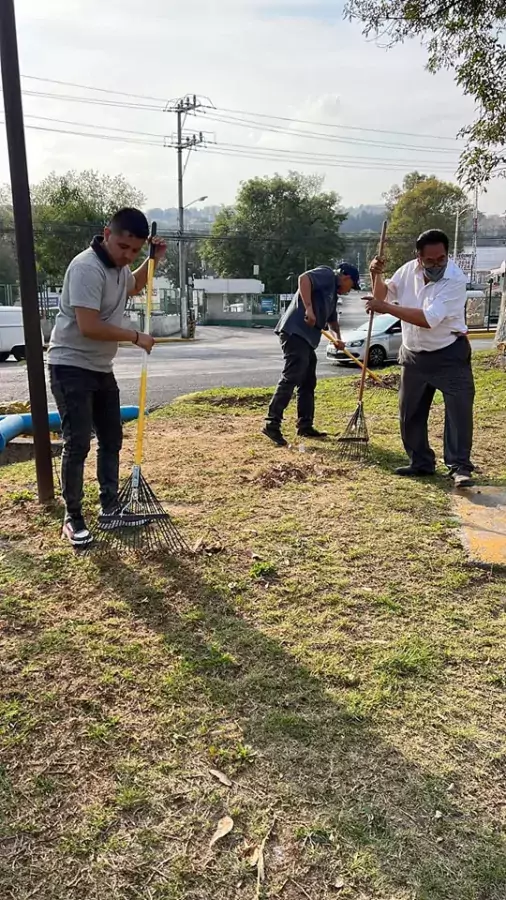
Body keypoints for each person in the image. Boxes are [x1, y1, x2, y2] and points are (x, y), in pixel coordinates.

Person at [47, 207, 166, 547]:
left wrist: (154, 260)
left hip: (100, 368)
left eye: (135, 251)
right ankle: (73, 517)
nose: (128, 255)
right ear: (107, 234)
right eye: (123, 247)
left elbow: (135, 286)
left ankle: (110, 507)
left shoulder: (120, 267)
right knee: (79, 441)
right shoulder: (87, 267)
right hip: (70, 366)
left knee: (112, 438)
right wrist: (134, 336)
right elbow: (89, 326)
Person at [367, 228, 474, 488]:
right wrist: (374, 273)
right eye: (430, 260)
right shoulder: (406, 272)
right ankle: (421, 462)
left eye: (441, 259)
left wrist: (387, 309)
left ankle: (459, 467)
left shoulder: (455, 280)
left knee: (458, 413)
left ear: (447, 255)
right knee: (410, 412)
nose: (437, 265)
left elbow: (428, 319)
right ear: (419, 258)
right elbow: (381, 294)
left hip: (449, 354)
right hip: (413, 356)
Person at [263, 263, 360, 446]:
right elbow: (304, 279)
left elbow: (332, 322)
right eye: (352, 285)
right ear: (346, 277)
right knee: (292, 376)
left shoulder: (332, 296)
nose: (350, 290)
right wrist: (308, 308)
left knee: (308, 382)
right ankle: (271, 423)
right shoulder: (327, 275)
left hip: (307, 340)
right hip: (295, 332)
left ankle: (305, 425)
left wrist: (337, 338)